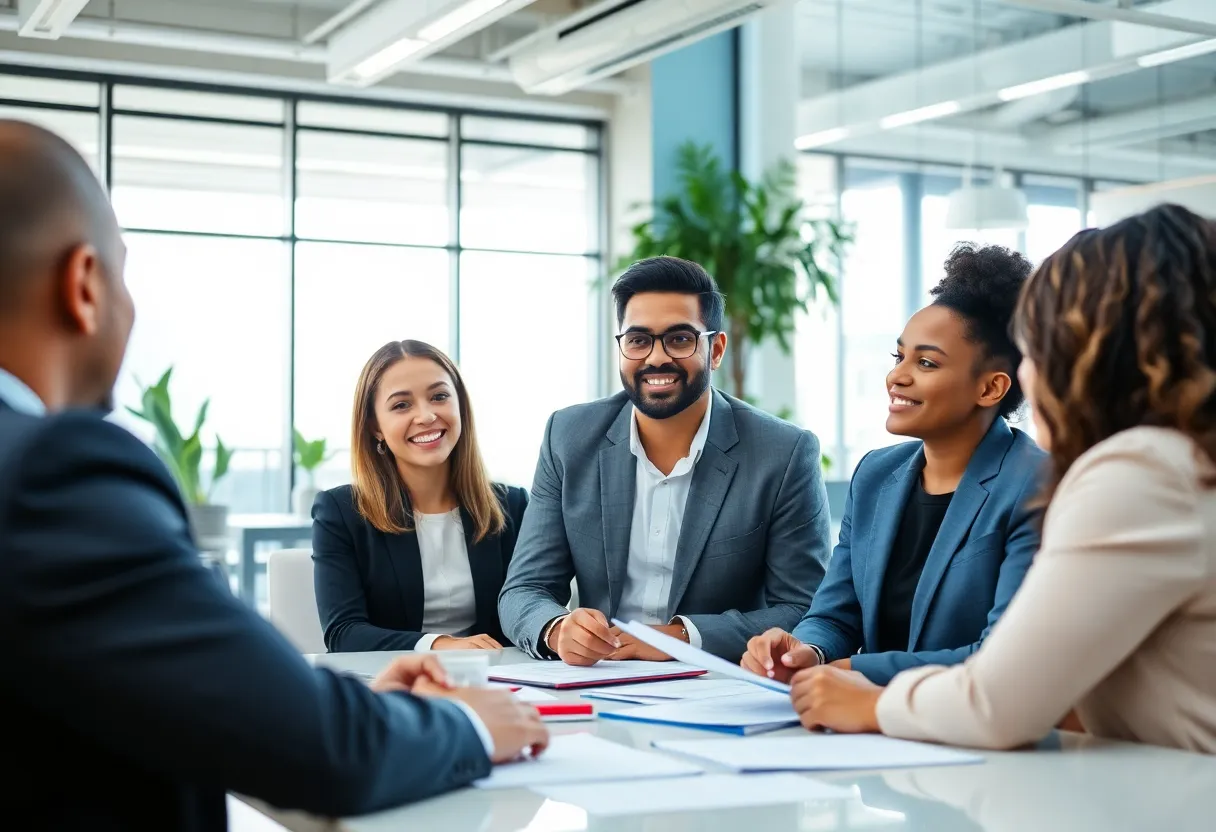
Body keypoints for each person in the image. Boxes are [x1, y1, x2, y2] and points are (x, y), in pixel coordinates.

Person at [0, 119, 548, 830]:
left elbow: (116, 696)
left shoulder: (508, 502)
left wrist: (351, 708)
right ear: (84, 284)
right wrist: (471, 726)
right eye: (125, 271)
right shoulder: (52, 473)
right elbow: (317, 746)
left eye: (438, 396)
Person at [787, 203, 1216, 754]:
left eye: (1037, 345)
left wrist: (866, 700)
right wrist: (816, 652)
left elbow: (998, 702)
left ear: (1091, 349)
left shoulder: (1143, 472)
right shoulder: (1184, 460)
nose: (1030, 374)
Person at [498, 255, 831, 665]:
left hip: (717, 685)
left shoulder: (783, 452)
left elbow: (804, 606)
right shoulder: (568, 436)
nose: (657, 358)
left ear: (716, 349)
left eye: (679, 339)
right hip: (596, 678)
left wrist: (681, 638)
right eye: (638, 340)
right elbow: (524, 590)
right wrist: (556, 628)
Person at [742, 244, 1045, 685]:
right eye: (898, 356)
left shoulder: (1035, 484)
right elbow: (835, 615)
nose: (897, 376)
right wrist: (807, 651)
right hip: (870, 725)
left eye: (925, 362)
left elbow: (1000, 655)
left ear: (991, 387)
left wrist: (850, 670)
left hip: (971, 729)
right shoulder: (876, 475)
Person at [312, 340, 529, 652]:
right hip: (393, 685)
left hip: (494, 680)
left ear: (460, 407)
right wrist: (440, 646)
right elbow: (343, 633)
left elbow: (532, 605)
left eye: (439, 396)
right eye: (402, 405)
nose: (426, 416)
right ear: (375, 426)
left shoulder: (511, 505)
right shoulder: (340, 512)